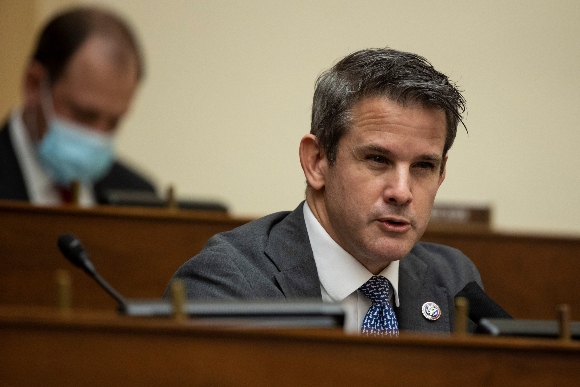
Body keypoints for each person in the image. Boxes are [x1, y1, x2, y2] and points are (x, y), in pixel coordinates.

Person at [166, 48, 489, 335]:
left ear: (442, 173)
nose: (402, 192)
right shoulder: (228, 283)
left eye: (423, 166)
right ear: (317, 162)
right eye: (378, 159)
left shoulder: (452, 278)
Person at [0, 6, 156, 206]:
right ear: (34, 85)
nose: (97, 136)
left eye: (114, 121)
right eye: (84, 115)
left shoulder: (139, 196)